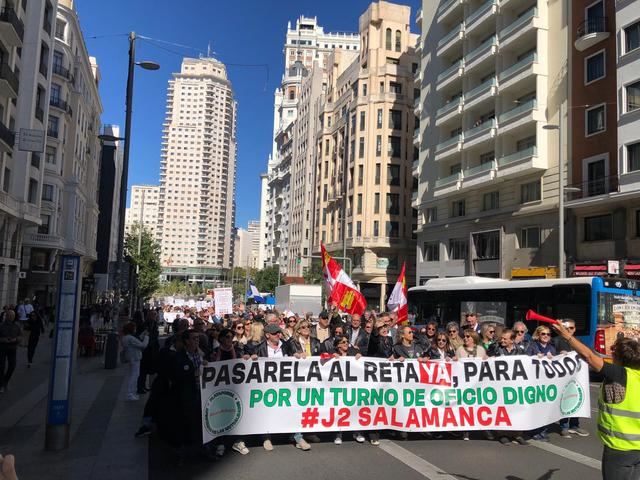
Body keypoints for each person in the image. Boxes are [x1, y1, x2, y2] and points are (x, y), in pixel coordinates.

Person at [552, 322, 640, 479]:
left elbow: (589, 356)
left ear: (618, 357)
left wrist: (567, 337)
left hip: (620, 449)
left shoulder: (620, 375)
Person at [245, 324, 311, 452]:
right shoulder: (259, 348)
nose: (278, 335)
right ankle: (266, 437)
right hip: (267, 387)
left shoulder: (287, 345)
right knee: (266, 411)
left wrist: (299, 356)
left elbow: (297, 356)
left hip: (286, 386)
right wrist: (249, 359)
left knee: (293, 409)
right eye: (275, 333)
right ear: (267, 335)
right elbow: (248, 361)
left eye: (279, 332)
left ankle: (297, 437)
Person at [554, 319, 589, 438]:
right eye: (567, 328)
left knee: (577, 399)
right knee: (565, 400)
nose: (570, 330)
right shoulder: (556, 341)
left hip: (576, 377)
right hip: (563, 378)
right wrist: (559, 353)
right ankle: (564, 426)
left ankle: (575, 425)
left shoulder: (578, 341)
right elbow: (551, 357)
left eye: (572, 328)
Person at [494, 329, 529, 446]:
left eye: (505, 339)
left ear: (512, 340)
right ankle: (502, 434)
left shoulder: (521, 350)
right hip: (501, 385)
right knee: (503, 409)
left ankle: (517, 434)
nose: (502, 340)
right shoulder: (497, 349)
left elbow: (529, 363)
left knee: (518, 409)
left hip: (516, 385)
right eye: (502, 338)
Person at [331, 334, 365, 445]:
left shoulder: (353, 352)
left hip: (352, 386)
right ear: (338, 345)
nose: (346, 344)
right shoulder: (333, 354)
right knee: (340, 410)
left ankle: (357, 432)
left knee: (355, 408)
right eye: (343, 342)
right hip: (338, 387)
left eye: (347, 341)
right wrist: (331, 357)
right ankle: (338, 434)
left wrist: (360, 356)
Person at [456, 329, 488, 441]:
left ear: (473, 338)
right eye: (464, 336)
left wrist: (487, 360)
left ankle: (484, 429)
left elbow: (486, 364)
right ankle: (465, 431)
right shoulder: (460, 350)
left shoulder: (480, 349)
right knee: (466, 406)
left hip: (478, 383)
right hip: (465, 383)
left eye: (468, 336)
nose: (465, 338)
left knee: (480, 405)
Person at [527, 325, 556, 441]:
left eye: (548, 334)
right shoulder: (533, 346)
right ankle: (534, 430)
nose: (546, 336)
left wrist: (554, 358)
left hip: (547, 382)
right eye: (543, 334)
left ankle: (543, 430)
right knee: (536, 406)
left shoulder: (552, 348)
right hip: (535, 381)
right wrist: (535, 357)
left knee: (546, 407)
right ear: (538, 335)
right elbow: (526, 360)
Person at [121, 322, 149, 401]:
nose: (135, 329)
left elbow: (137, 341)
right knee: (135, 375)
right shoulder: (130, 338)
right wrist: (146, 337)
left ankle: (131, 392)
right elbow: (143, 345)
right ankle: (129, 394)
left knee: (132, 375)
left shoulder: (126, 337)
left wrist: (143, 334)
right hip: (135, 357)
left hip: (130, 357)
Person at [0, 311, 21, 393]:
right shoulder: (1, 326)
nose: (10, 317)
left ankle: (5, 380)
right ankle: (1, 384)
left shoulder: (16, 326)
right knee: (1, 367)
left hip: (12, 348)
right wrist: (3, 339)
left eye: (12, 316)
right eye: (9, 316)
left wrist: (16, 339)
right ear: (6, 316)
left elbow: (20, 336)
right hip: (2, 348)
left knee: (12, 365)